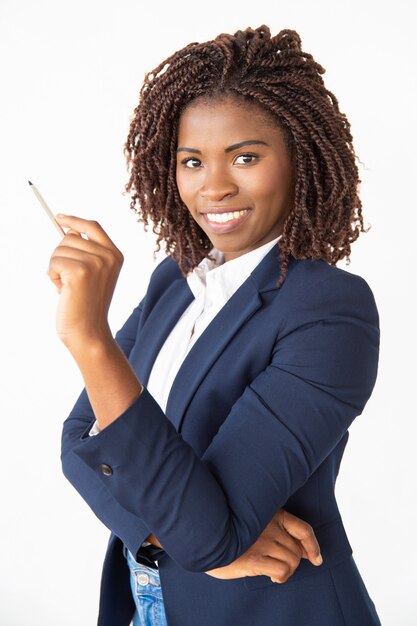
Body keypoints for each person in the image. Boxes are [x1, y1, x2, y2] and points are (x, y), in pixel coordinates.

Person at [49, 25, 381, 626]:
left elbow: (210, 533)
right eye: (192, 161)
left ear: (299, 158)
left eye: (246, 156)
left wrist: (90, 338)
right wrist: (158, 534)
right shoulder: (173, 283)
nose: (215, 186)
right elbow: (79, 443)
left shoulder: (330, 310)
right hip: (150, 601)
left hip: (271, 610)